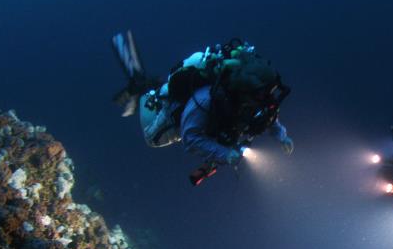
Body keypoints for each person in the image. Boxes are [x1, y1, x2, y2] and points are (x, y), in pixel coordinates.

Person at [111, 31, 294, 169]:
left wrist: (282, 136)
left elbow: (268, 115)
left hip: (200, 111)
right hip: (165, 122)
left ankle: (152, 85)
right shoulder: (206, 98)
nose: (263, 102)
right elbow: (190, 137)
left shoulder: (256, 98)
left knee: (163, 89)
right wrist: (225, 154)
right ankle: (141, 86)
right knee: (153, 137)